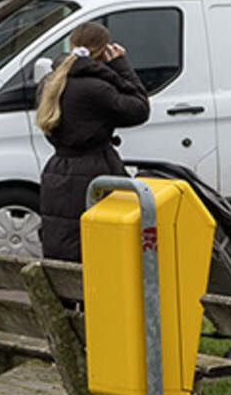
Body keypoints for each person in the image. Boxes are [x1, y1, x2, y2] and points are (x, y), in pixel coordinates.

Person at [36, 29, 151, 263]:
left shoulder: (50, 83)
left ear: (71, 44)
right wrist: (120, 65)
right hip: (96, 172)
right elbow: (139, 108)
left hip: (57, 173)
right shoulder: (97, 88)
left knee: (65, 239)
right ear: (104, 50)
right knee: (105, 246)